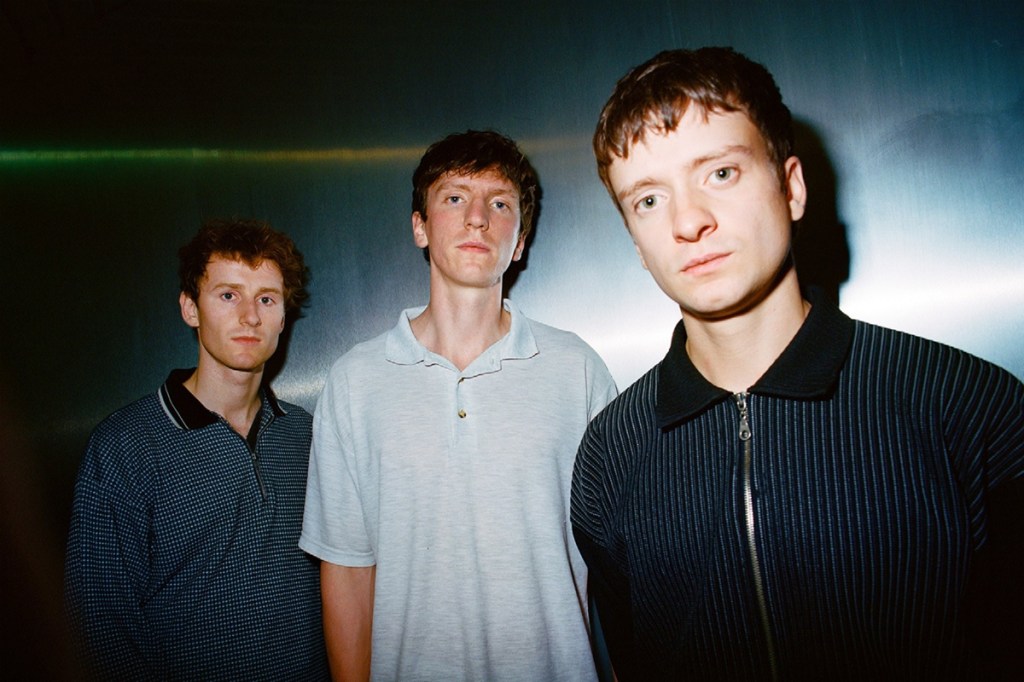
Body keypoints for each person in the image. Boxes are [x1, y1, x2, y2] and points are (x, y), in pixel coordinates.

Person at [571, 47, 1024, 680]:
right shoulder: (609, 455)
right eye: (648, 199)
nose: (688, 221)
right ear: (636, 243)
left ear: (792, 188)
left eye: (720, 173)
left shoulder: (967, 404)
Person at [300, 130, 617, 681]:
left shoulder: (578, 370)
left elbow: (620, 565)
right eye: (454, 197)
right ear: (420, 227)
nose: (477, 219)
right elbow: (348, 573)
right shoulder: (354, 383)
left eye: (500, 204)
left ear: (520, 242)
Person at [64, 219, 329, 680]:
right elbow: (101, 625)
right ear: (191, 308)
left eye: (266, 299)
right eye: (228, 295)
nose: (250, 317)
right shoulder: (126, 445)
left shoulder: (305, 434)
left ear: (283, 318)